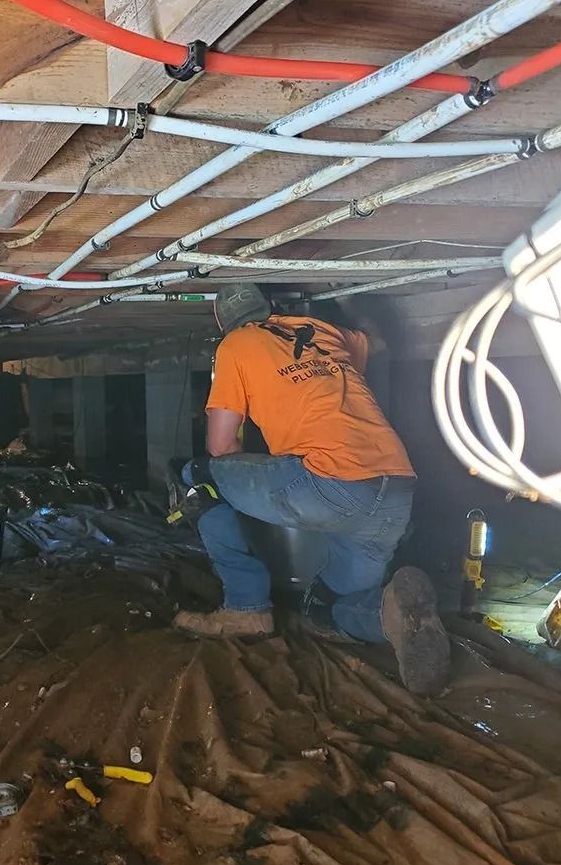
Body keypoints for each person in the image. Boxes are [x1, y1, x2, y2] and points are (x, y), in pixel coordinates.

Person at [173, 283, 450, 696]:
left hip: (330, 483)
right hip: (395, 490)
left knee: (202, 475)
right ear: (268, 308)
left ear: (221, 322)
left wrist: (252, 481)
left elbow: (222, 447)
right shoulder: (326, 332)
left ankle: (246, 607)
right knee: (324, 607)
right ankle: (390, 619)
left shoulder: (236, 343)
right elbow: (368, 341)